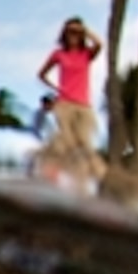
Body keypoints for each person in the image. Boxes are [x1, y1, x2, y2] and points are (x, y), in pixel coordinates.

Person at [35, 17, 101, 184]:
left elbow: (99, 44)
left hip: (84, 105)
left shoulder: (86, 54)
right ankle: (51, 174)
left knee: (85, 143)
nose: (73, 35)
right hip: (65, 104)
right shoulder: (58, 54)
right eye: (70, 32)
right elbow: (41, 74)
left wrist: (85, 30)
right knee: (68, 142)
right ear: (64, 34)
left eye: (77, 32)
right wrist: (56, 89)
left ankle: (91, 179)